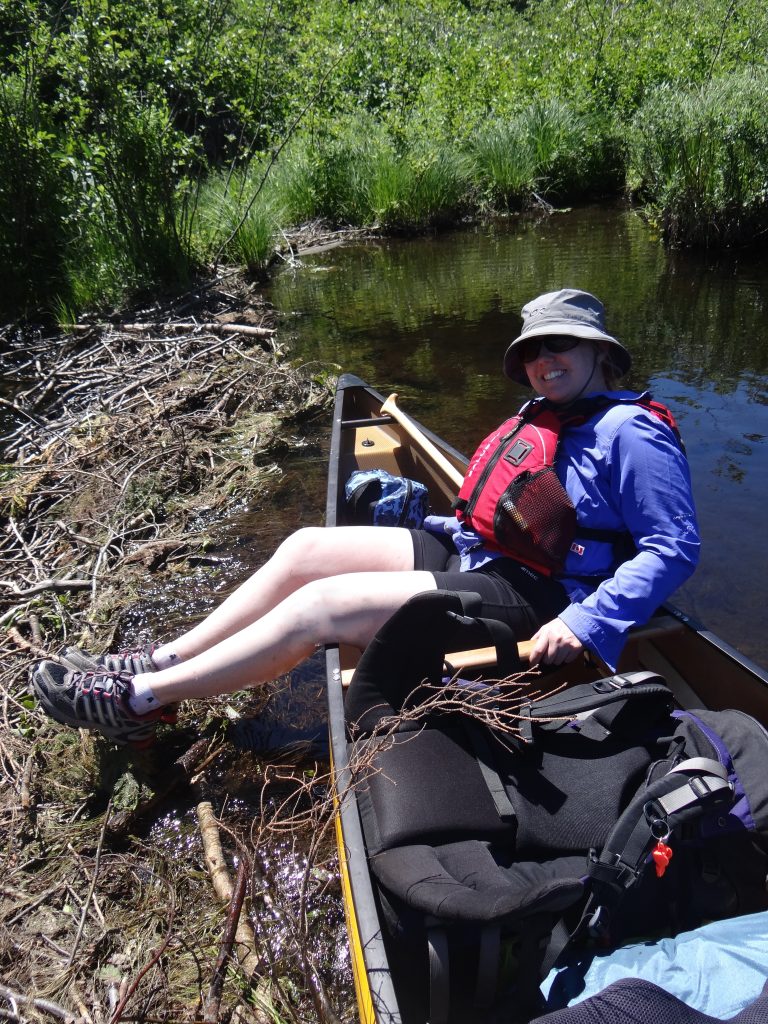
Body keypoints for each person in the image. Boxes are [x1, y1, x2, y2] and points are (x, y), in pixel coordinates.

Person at [30, 288, 700, 746]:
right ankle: (158, 658)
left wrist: (587, 622)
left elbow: (672, 549)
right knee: (304, 548)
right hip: (483, 557)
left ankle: (142, 700)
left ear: (598, 351)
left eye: (561, 345)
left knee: (319, 607)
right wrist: (440, 527)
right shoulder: (545, 414)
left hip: (545, 597)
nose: (544, 361)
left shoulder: (632, 433)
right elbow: (512, 512)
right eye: (532, 350)